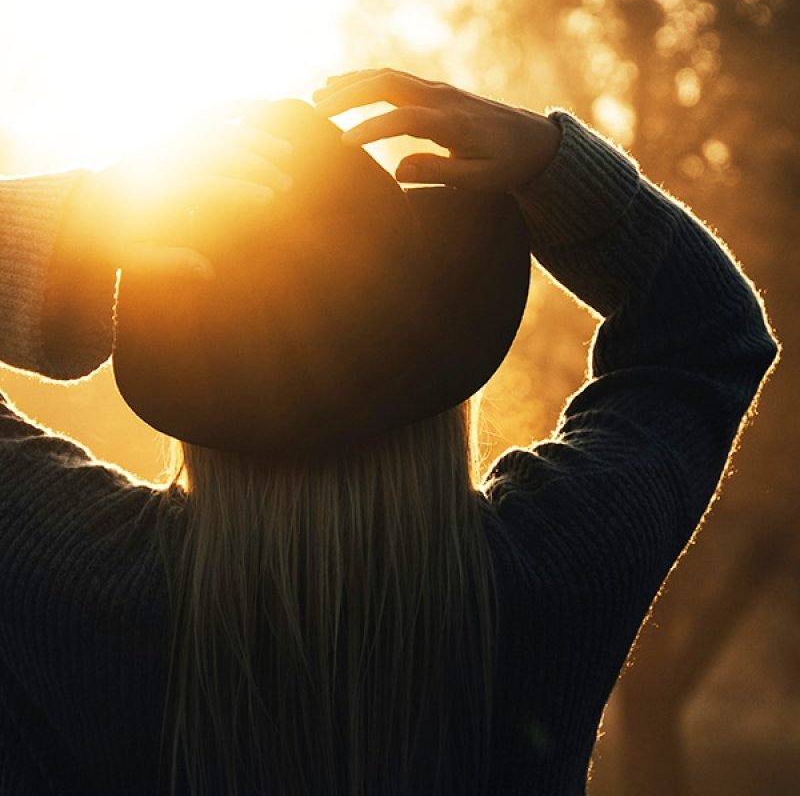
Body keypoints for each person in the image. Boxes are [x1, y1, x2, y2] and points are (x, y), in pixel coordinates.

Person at [0, 68, 777, 796]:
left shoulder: (79, 573)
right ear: (437, 341)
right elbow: (704, 335)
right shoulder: (548, 570)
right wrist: (551, 166)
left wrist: (82, 225)